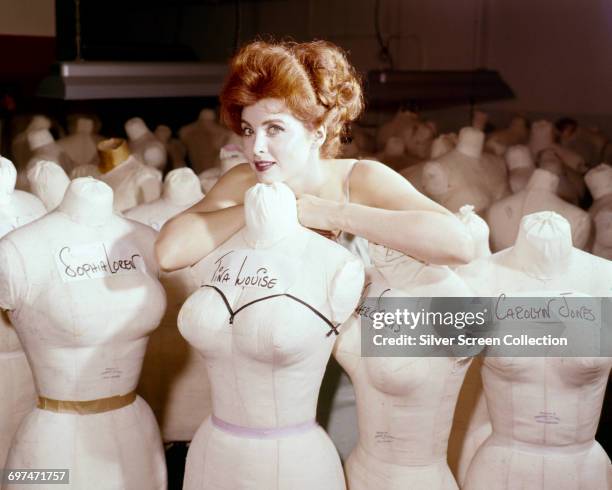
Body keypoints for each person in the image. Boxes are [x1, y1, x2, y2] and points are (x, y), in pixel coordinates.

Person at [155, 39, 474, 272]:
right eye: (249, 130)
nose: (256, 147)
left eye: (274, 129)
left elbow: (458, 245)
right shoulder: (244, 180)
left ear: (317, 131)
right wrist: (266, 208)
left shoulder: (362, 178)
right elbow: (169, 252)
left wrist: (334, 214)